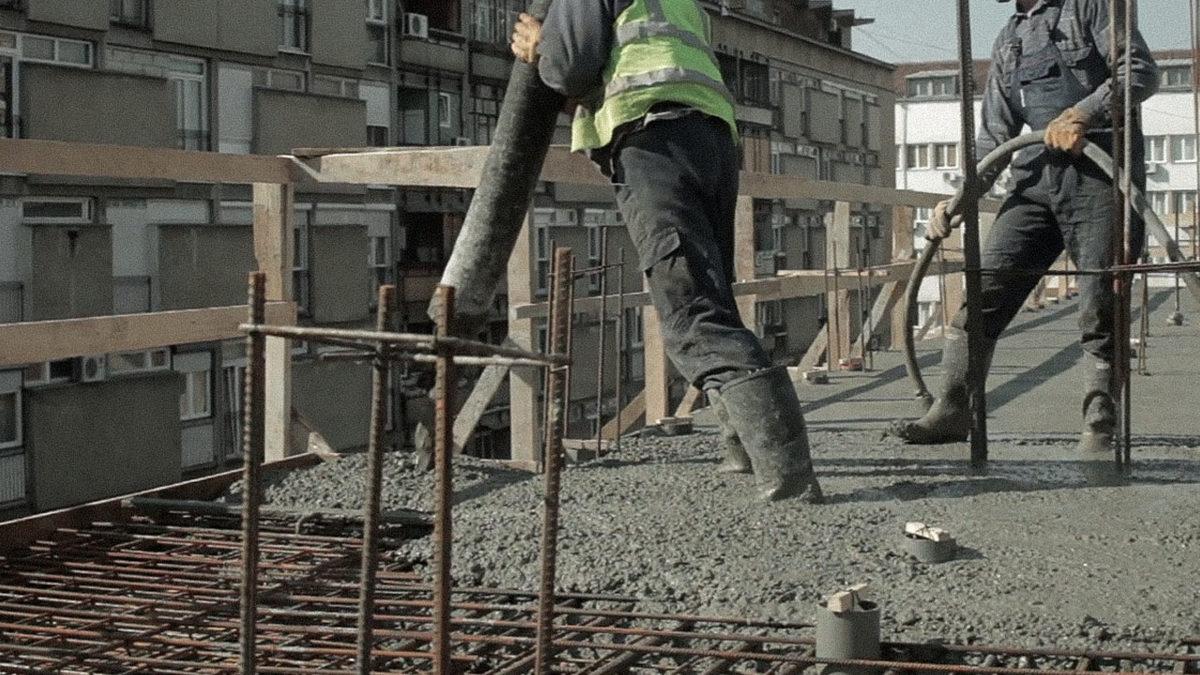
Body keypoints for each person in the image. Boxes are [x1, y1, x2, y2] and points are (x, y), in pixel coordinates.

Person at [510, 0, 822, 502]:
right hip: (710, 139)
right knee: (711, 295)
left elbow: (570, 67)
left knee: (691, 310)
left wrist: (540, 48)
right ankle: (742, 448)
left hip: (653, 140)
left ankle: (789, 476)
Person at [890, 0, 1158, 478]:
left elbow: (1139, 71)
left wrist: (1083, 113)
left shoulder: (1091, 8)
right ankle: (953, 409)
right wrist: (955, 202)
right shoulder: (1010, 38)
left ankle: (1099, 417)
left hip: (1100, 177)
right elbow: (993, 139)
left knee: (1099, 300)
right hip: (1033, 183)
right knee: (984, 290)